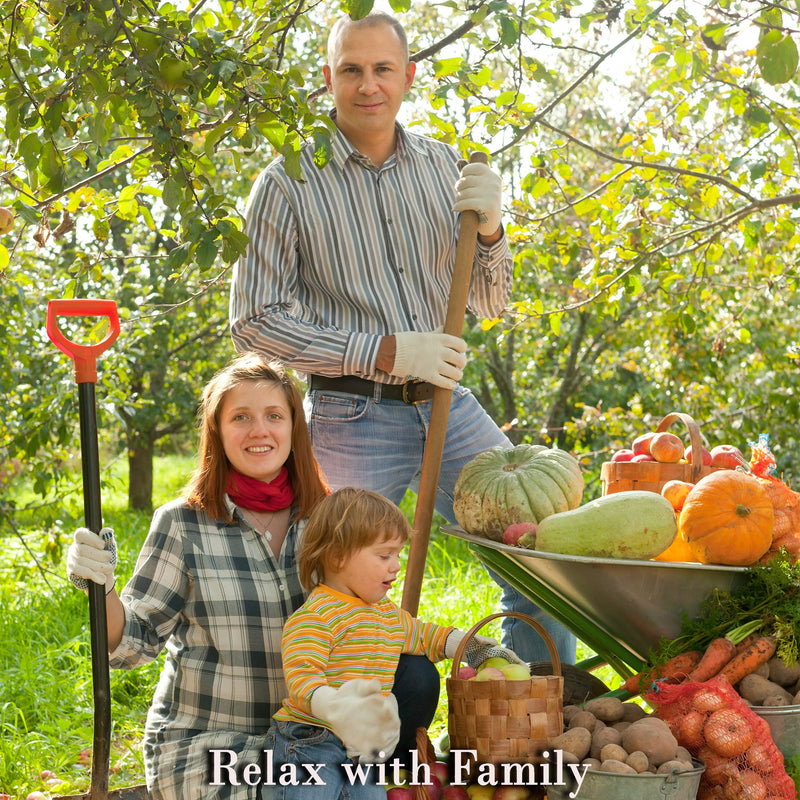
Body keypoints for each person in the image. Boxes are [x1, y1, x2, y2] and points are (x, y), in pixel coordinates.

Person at [229, 11, 576, 666]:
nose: (368, 85)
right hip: (348, 415)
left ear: (408, 76)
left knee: (537, 558)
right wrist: (383, 350)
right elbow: (253, 319)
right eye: (352, 70)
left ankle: (533, 719)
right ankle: (340, 742)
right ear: (329, 78)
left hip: (447, 401)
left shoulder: (446, 169)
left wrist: (495, 229)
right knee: (335, 589)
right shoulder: (286, 181)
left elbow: (491, 302)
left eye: (383, 69)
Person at [65, 353, 439, 800]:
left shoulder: (331, 521)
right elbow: (131, 644)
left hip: (315, 739)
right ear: (217, 433)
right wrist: (100, 585)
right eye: (240, 417)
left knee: (415, 676)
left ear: (294, 428)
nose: (259, 430)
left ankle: (362, 781)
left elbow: (372, 625)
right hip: (211, 747)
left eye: (274, 416)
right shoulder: (183, 524)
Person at [264, 487, 523, 800]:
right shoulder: (316, 616)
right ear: (337, 556)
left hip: (364, 744)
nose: (396, 565)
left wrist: (475, 649)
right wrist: (335, 705)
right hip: (311, 737)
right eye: (384, 555)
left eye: (397, 554)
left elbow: (429, 637)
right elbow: (302, 678)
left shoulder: (387, 614)